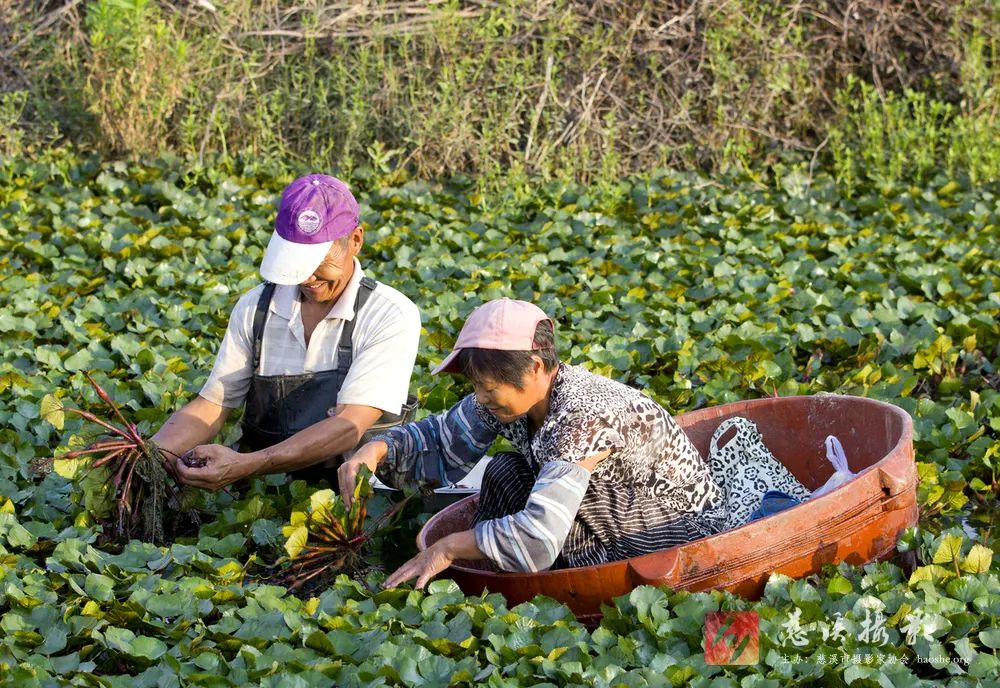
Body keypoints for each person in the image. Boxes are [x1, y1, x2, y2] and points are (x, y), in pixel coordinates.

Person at [338, 298, 728, 588]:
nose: (481, 396)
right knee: (504, 470)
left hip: (683, 526)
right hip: (616, 511)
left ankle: (570, 591)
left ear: (536, 367)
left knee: (574, 504)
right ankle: (499, 579)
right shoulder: (506, 401)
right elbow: (440, 440)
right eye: (476, 385)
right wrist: (377, 449)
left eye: (487, 386)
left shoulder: (582, 417)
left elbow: (541, 534)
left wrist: (449, 547)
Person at [153, 174, 421, 491]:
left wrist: (246, 465)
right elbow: (212, 406)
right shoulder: (255, 309)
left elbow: (349, 426)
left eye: (319, 261)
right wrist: (149, 456)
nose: (307, 277)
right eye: (296, 262)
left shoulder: (390, 314)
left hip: (359, 499)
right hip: (263, 493)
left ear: (356, 240)